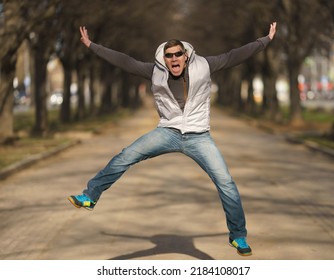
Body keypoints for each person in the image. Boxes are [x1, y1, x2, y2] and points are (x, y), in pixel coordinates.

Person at [68, 22, 277, 257]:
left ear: (186, 56)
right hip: (168, 132)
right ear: (164, 59)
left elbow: (234, 56)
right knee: (126, 155)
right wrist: (91, 45)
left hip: (199, 136)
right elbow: (124, 61)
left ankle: (238, 235)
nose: (174, 59)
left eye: (178, 54)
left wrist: (264, 41)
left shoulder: (204, 65)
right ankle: (90, 196)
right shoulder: (155, 71)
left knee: (226, 183)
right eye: (169, 56)